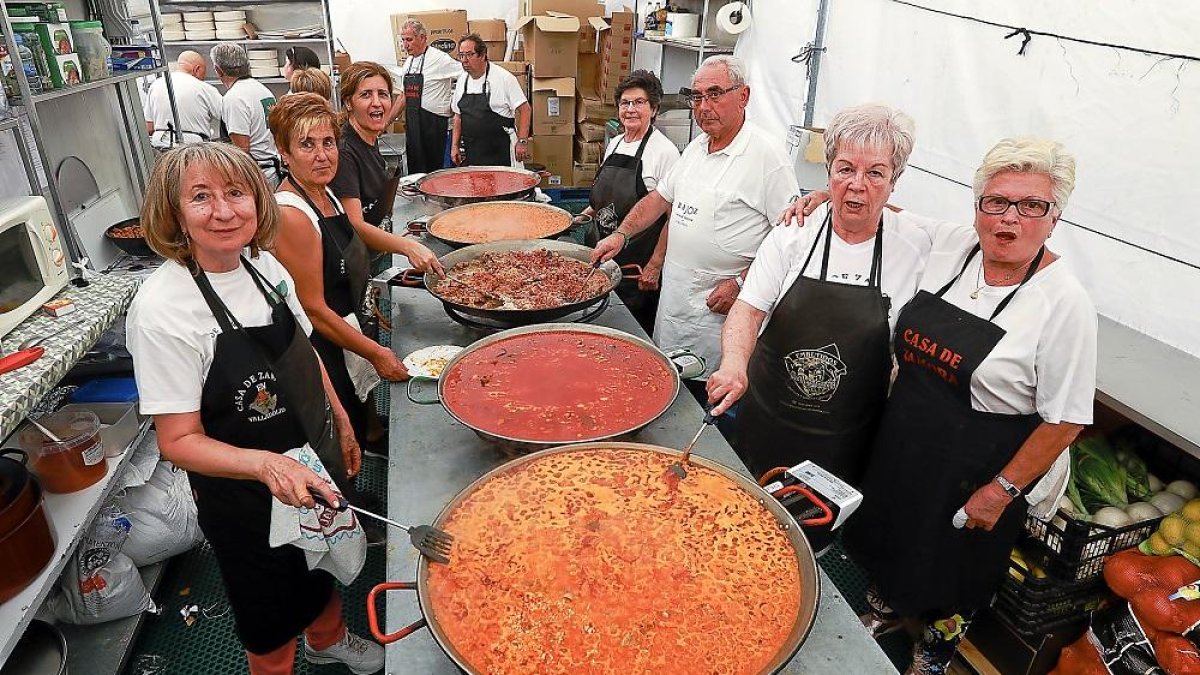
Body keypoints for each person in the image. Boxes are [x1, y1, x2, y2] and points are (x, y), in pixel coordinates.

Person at [126, 142, 384, 675]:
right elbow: (177, 441)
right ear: (174, 212)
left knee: (321, 565)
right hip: (243, 495)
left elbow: (305, 350)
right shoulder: (162, 309)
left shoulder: (264, 266)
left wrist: (339, 420)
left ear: (257, 200)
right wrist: (268, 466)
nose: (223, 211)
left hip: (311, 457)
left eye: (236, 193)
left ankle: (328, 640)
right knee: (268, 611)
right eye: (201, 197)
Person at [844, 138, 1096, 675]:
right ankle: (885, 608)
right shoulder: (955, 246)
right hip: (905, 436)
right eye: (997, 201)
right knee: (891, 531)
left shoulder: (1064, 303)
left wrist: (1001, 491)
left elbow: (1067, 419)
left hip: (978, 465)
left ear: (1054, 219)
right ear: (978, 206)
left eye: (1031, 206)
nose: (1010, 218)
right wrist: (826, 195)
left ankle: (935, 647)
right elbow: (886, 209)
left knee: (956, 566)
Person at [706, 104, 930, 486]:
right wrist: (733, 365)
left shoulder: (917, 248)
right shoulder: (793, 232)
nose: (857, 184)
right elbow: (748, 309)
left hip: (847, 439)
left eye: (875, 173)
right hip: (768, 421)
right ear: (828, 172)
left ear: (895, 180)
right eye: (845, 169)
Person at [591, 55, 798, 387]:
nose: (703, 106)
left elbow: (789, 243)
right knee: (667, 381)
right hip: (675, 303)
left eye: (715, 94)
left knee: (709, 394)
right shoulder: (697, 148)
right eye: (697, 96)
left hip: (720, 311)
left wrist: (742, 283)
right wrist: (621, 235)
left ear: (743, 96)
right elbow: (660, 199)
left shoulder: (767, 157)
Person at [268, 93, 409, 450]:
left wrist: (367, 301)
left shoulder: (325, 194)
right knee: (341, 439)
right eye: (306, 145)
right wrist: (375, 353)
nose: (322, 155)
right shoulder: (292, 215)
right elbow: (314, 309)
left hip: (348, 329)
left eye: (328, 142)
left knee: (362, 421)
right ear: (284, 152)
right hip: (324, 349)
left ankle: (371, 435)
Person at [572, 70, 679, 333]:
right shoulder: (616, 143)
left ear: (654, 109)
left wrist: (655, 265)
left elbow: (673, 217)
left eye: (639, 102)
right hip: (600, 252)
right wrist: (577, 218)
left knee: (628, 330)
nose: (630, 109)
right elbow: (603, 199)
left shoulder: (664, 152)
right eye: (625, 103)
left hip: (635, 265)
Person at [330, 62, 443, 274]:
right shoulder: (345, 152)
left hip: (376, 249)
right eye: (366, 95)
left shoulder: (369, 138)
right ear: (348, 102)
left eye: (383, 94)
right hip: (355, 262)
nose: (377, 103)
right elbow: (354, 223)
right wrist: (408, 247)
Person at [390, 19, 461, 174]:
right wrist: (386, 122)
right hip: (413, 123)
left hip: (434, 124)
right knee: (416, 168)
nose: (405, 45)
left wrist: (456, 104)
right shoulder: (408, 63)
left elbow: (465, 73)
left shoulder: (439, 59)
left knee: (434, 172)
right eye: (403, 40)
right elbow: (403, 96)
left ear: (422, 38)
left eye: (409, 40)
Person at [450, 33, 531, 167]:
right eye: (461, 55)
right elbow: (458, 116)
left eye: (469, 55)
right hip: (473, 153)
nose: (464, 60)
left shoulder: (504, 78)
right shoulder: (462, 80)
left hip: (502, 153)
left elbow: (525, 109)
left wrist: (522, 142)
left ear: (482, 55)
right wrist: (455, 146)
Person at [211, 42, 281, 185]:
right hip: (273, 170)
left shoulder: (234, 98)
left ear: (218, 70)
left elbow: (242, 150)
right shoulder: (263, 90)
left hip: (258, 174)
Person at [144, 50, 222, 149]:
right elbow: (227, 116)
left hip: (160, 144)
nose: (203, 78)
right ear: (197, 69)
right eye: (204, 73)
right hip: (192, 147)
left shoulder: (156, 85)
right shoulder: (204, 88)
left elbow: (149, 127)